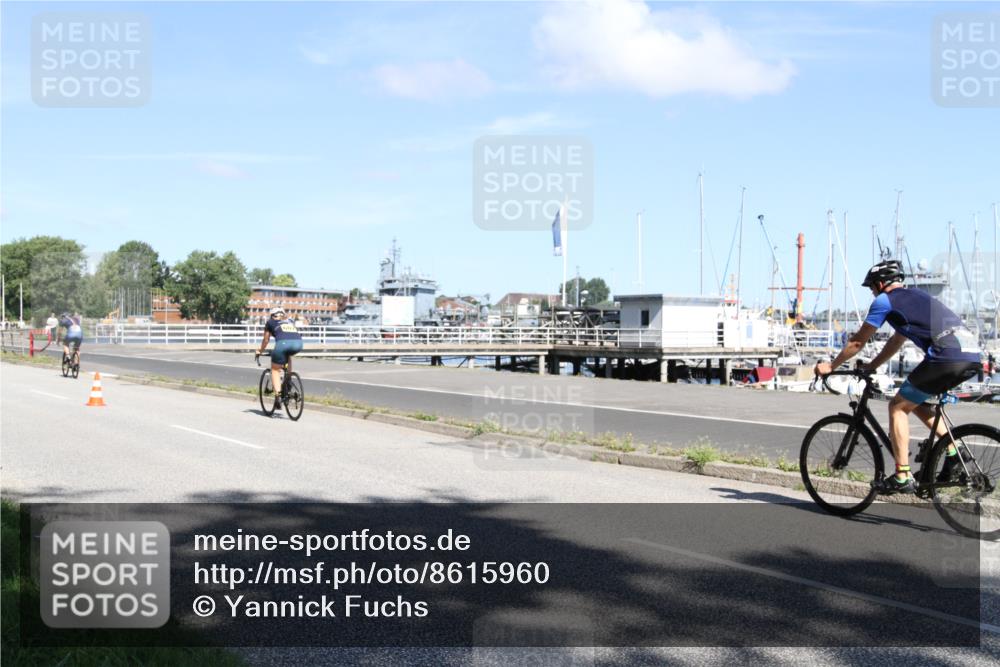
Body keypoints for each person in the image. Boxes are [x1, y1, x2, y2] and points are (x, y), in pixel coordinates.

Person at [815, 260, 981, 494]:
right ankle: (955, 452)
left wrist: (831, 366)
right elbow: (896, 341)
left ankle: (903, 475)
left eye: (872, 287)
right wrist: (872, 365)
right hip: (971, 355)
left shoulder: (884, 301)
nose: (872, 292)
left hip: (946, 357)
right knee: (917, 403)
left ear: (881, 284)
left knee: (897, 407)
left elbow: (856, 341)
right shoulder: (916, 298)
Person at [256, 306, 303, 407]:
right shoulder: (289, 320)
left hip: (282, 344)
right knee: (288, 355)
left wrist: (260, 351)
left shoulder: (270, 322)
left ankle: (278, 395)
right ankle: (288, 380)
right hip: (298, 343)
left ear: (272, 315)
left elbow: (266, 340)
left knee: (275, 369)